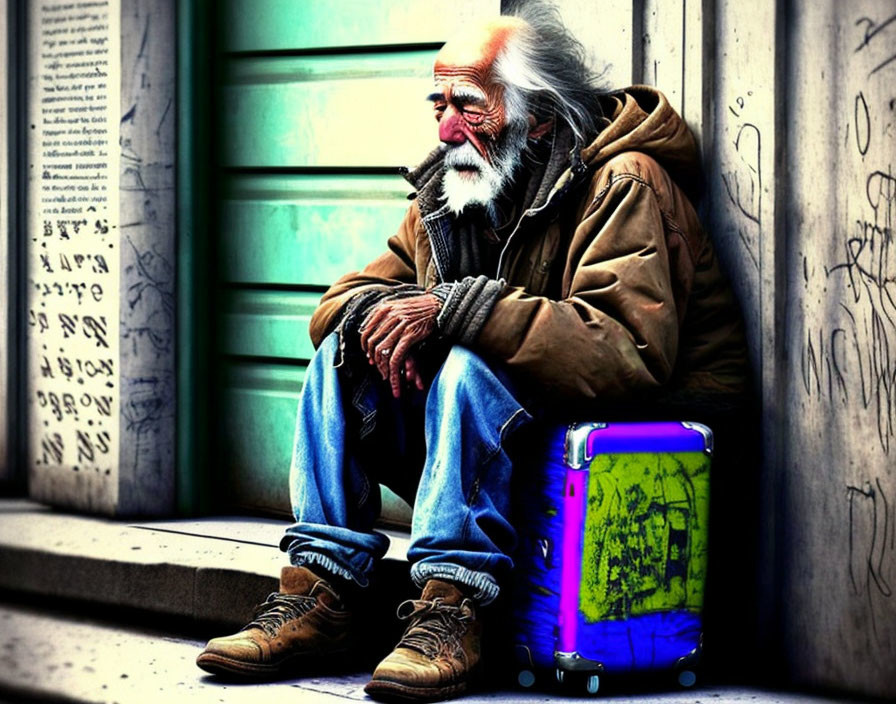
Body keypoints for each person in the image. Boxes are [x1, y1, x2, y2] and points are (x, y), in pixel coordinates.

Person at [197, 3, 747, 701]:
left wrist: (453, 312)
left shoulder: (625, 181)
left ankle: (452, 608)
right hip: (513, 438)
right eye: (439, 104)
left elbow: (625, 353)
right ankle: (322, 594)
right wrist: (390, 319)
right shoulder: (453, 188)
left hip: (636, 455)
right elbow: (343, 299)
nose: (446, 128)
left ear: (540, 116)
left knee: (468, 361)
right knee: (345, 350)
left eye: (470, 106)